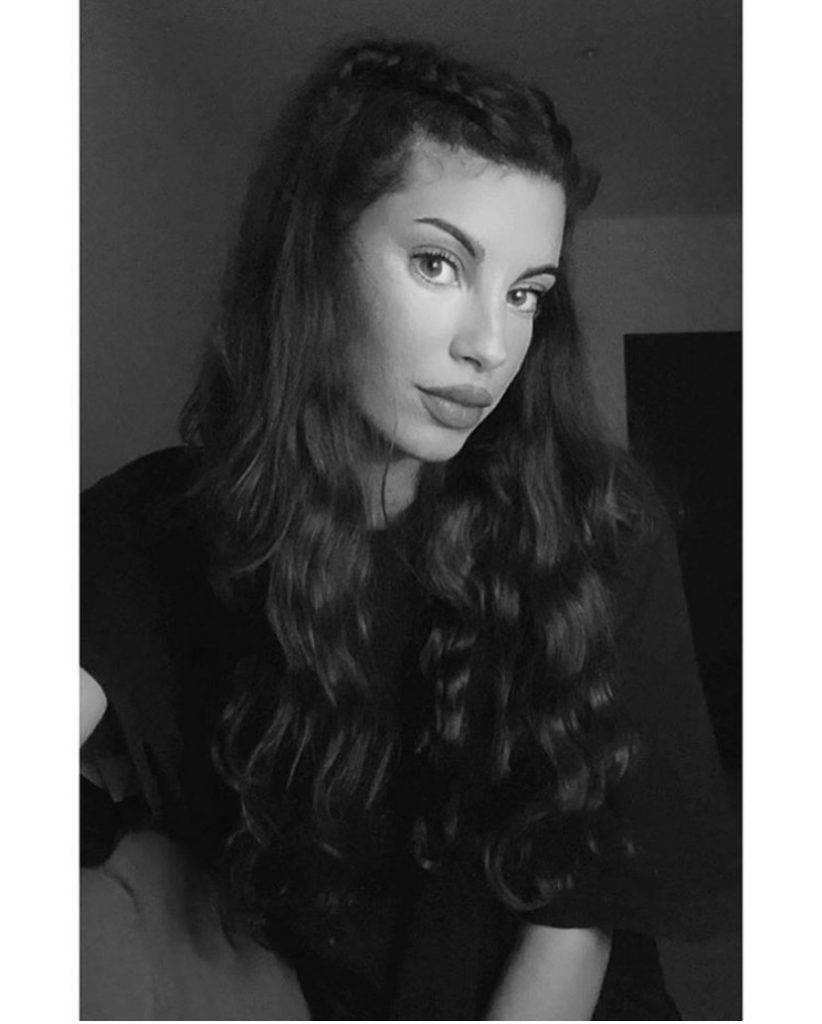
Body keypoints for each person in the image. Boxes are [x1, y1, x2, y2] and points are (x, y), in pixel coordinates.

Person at [80, 37, 739, 1020]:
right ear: (315, 256)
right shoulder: (156, 523)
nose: (491, 346)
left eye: (526, 294)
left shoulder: (598, 529)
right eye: (438, 263)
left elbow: (574, 926)